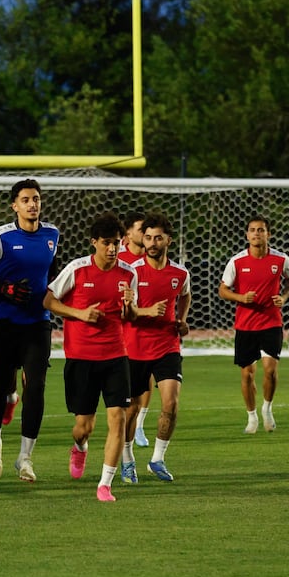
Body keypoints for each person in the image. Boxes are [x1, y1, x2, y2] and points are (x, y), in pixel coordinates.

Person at [43, 212, 137, 502]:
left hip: (115, 355)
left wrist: (131, 308)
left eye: (117, 243)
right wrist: (80, 313)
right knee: (84, 426)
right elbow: (48, 300)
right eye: (107, 243)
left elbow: (130, 317)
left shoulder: (128, 274)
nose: (112, 249)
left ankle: (105, 484)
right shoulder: (76, 269)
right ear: (94, 242)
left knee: (118, 419)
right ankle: (80, 447)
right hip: (81, 357)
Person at [0, 179, 59, 483]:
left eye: (36, 199)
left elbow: (52, 269)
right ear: (15, 205)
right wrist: (4, 289)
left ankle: (25, 457)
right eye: (25, 200)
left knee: (35, 386)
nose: (32, 204)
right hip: (4, 322)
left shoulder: (52, 234)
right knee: (2, 386)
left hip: (38, 322)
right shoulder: (1, 237)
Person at [121, 212, 190, 483]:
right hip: (135, 348)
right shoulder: (132, 272)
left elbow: (185, 295)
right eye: (148, 237)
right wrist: (147, 310)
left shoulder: (180, 273)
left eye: (157, 238)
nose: (152, 242)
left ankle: (158, 459)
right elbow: (125, 314)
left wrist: (182, 321)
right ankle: (127, 460)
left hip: (167, 347)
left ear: (168, 241)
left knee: (171, 404)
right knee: (131, 410)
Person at [219, 215, 289, 434]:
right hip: (245, 325)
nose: (256, 234)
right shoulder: (237, 261)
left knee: (270, 371)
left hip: (271, 322)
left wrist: (285, 296)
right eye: (252, 230)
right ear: (247, 235)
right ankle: (251, 417)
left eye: (260, 230)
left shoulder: (281, 259)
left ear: (267, 234)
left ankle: (267, 408)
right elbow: (223, 290)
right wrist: (241, 298)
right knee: (247, 374)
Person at [119, 210, 152, 447]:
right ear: (128, 233)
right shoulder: (118, 259)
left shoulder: (155, 257)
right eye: (142, 229)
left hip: (147, 330)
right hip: (120, 332)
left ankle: (139, 425)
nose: (147, 234)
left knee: (146, 377)